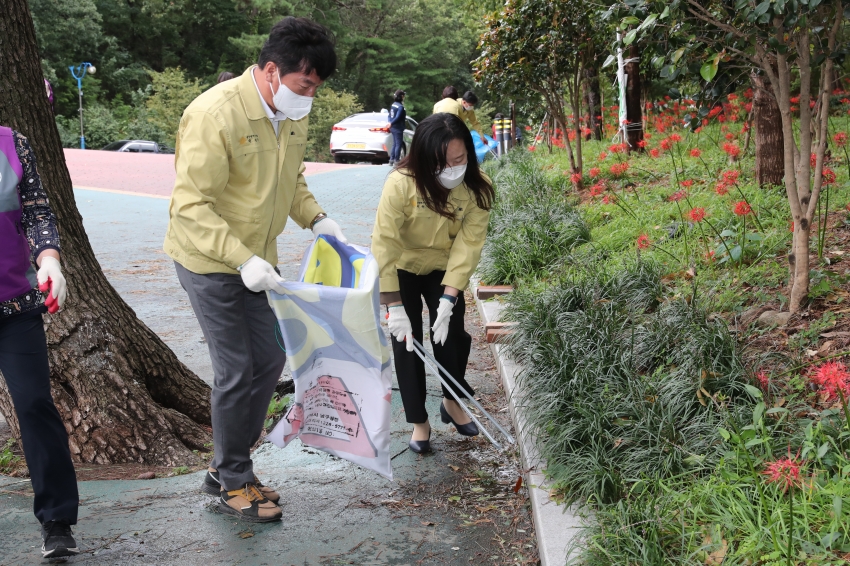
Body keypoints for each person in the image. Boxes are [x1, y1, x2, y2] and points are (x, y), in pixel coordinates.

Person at [163, 16, 348, 523]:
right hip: (209, 259)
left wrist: (318, 219)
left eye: (316, 86)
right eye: (304, 83)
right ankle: (234, 480)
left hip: (256, 263)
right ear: (271, 70)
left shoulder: (291, 112)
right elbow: (191, 206)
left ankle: (226, 467)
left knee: (268, 360)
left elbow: (292, 179)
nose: (309, 95)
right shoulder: (213, 114)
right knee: (236, 369)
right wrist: (242, 258)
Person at [371, 113, 494, 454]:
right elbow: (384, 243)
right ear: (424, 158)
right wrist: (393, 306)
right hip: (402, 269)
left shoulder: (477, 188)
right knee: (407, 342)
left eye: (459, 159)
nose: (452, 168)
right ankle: (419, 422)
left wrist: (450, 297)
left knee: (452, 333)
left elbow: (469, 246)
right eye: (442, 162)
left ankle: (452, 402)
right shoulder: (401, 183)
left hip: (443, 267)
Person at [0, 126, 78, 557]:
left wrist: (49, 259)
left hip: (14, 304)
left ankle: (58, 520)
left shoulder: (14, 144)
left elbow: (37, 211)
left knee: (33, 405)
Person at [387, 89, 406, 166]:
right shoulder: (400, 107)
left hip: (393, 127)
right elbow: (398, 117)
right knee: (398, 144)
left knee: (394, 144)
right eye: (403, 96)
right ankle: (396, 160)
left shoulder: (393, 105)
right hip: (398, 127)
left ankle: (391, 159)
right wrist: (391, 123)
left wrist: (389, 122)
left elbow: (389, 115)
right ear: (401, 96)